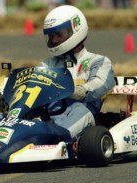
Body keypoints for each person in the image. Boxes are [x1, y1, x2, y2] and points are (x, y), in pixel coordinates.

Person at [38, 5, 116, 138]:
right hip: (47, 116)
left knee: (80, 110)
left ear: (75, 30)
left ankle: (54, 140)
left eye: (58, 35)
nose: (54, 40)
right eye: (51, 36)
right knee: (4, 116)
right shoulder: (46, 64)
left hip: (80, 114)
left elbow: (101, 84)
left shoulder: (98, 61)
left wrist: (72, 89)